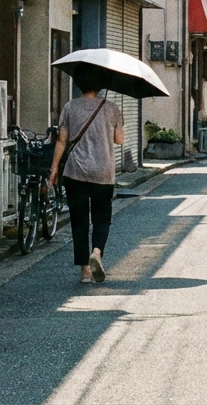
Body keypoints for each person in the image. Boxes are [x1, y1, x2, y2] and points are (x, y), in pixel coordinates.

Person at [49, 63, 124, 284]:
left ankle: (84, 270)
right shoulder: (112, 109)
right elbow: (119, 140)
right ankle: (97, 253)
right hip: (103, 172)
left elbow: (62, 140)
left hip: (75, 172)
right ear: (101, 86)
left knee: (78, 220)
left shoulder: (70, 107)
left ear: (78, 84)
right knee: (102, 219)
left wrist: (54, 169)